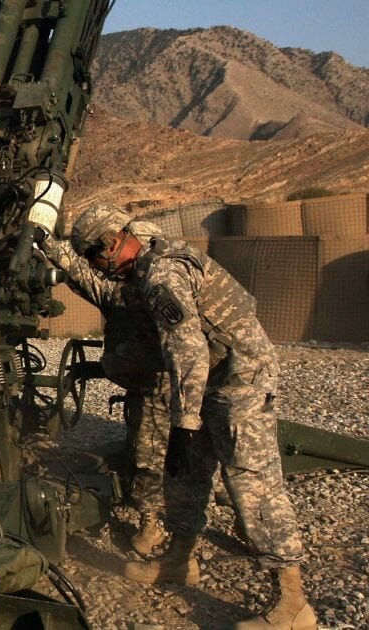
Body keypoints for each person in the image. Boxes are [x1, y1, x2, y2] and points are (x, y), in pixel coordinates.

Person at [69, 206, 315, 630]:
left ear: (110, 243)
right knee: (186, 476)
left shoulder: (161, 275)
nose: (95, 268)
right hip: (209, 380)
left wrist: (184, 423)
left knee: (252, 484)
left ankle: (293, 604)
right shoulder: (147, 267)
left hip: (240, 381)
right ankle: (180, 560)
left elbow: (188, 350)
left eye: (93, 257)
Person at [40, 220, 172, 556]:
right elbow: (81, 276)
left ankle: (152, 524)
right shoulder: (119, 291)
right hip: (142, 384)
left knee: (151, 455)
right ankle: (151, 512)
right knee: (144, 449)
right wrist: (45, 241)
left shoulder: (161, 285)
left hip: (162, 385)